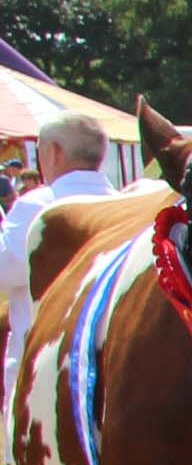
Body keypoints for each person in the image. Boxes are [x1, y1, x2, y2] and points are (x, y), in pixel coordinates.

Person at [2, 113, 116, 411]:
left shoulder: (36, 206)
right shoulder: (121, 204)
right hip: (111, 363)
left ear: (53, 152)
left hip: (44, 369)